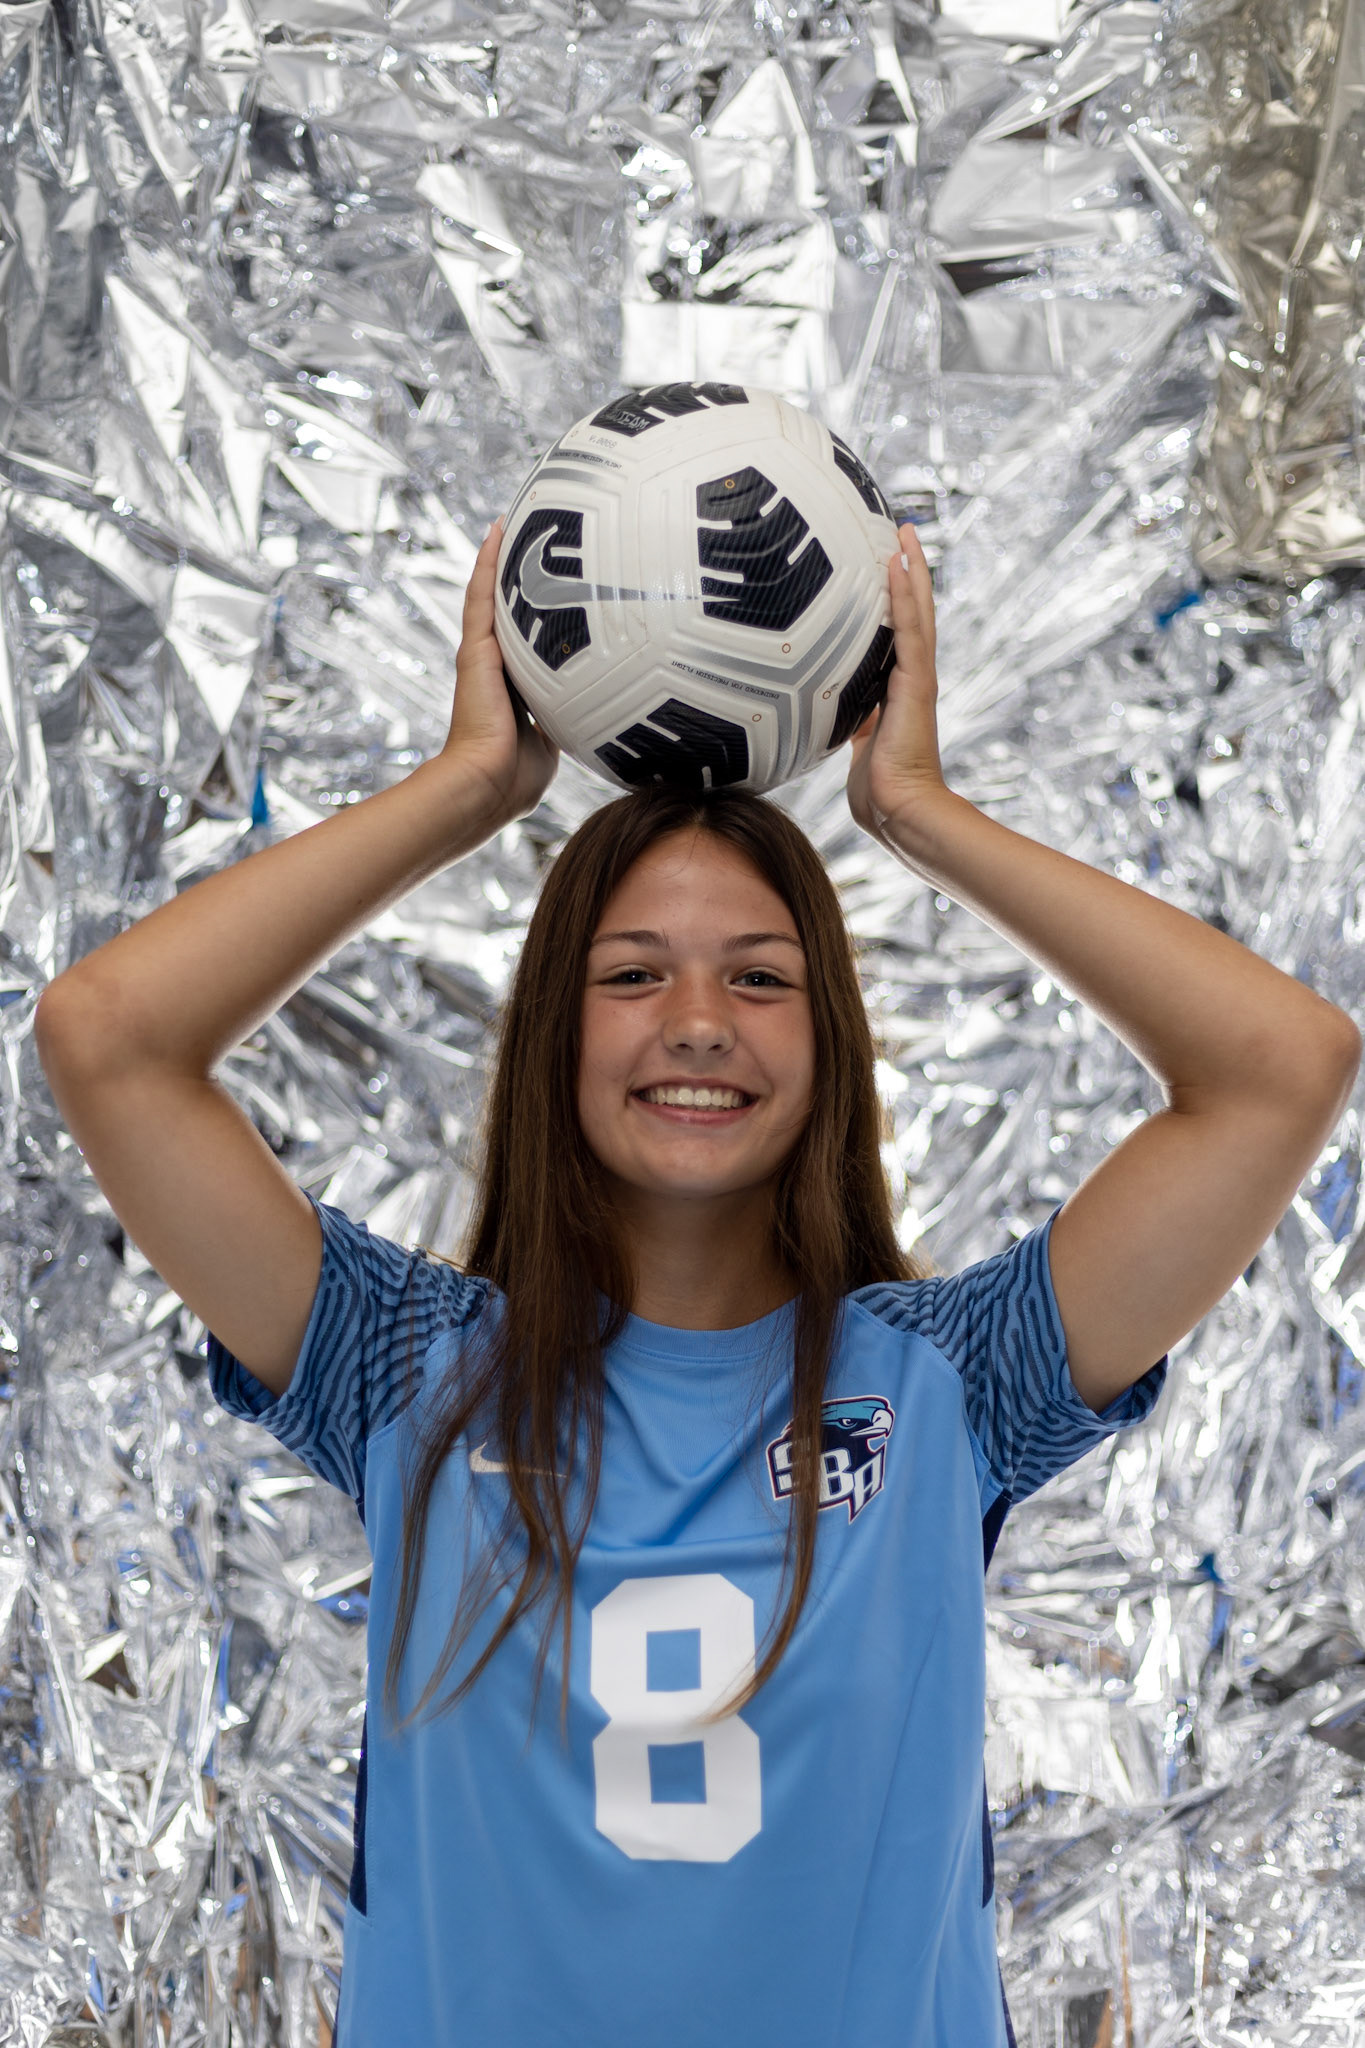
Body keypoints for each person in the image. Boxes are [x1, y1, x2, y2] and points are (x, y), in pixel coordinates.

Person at [36, 517, 1359, 2048]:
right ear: (551, 1029)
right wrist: (470, 793)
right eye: (628, 972)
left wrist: (916, 814)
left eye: (758, 973)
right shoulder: (406, 1367)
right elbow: (108, 1039)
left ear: (830, 1040)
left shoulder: (945, 1383)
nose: (696, 1020)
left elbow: (1281, 1069)